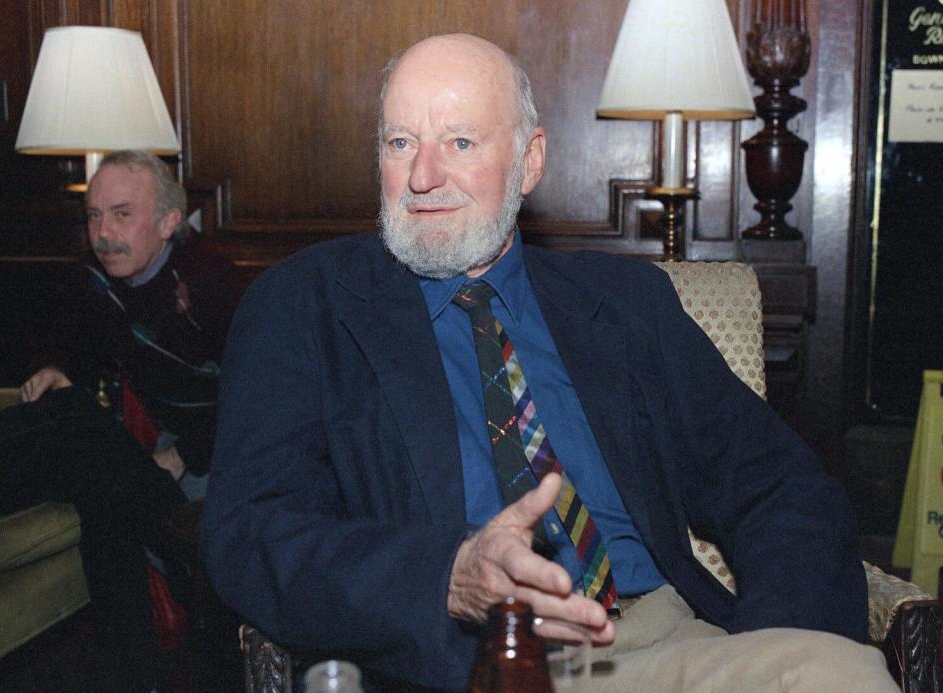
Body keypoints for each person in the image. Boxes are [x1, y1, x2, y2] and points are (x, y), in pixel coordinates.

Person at [202, 34, 895, 692]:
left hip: (661, 647)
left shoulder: (625, 303)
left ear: (531, 161)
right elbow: (252, 532)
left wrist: (763, 646)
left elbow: (779, 484)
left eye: (460, 141)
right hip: (459, 663)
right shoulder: (304, 306)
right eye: (400, 141)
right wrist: (446, 576)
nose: (422, 174)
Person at [0, 150, 241, 691]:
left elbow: (263, 398)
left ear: (170, 221)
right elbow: (77, 336)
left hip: (229, 447)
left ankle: (133, 678)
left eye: (121, 215)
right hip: (178, 462)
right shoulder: (97, 281)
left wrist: (184, 453)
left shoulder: (211, 286)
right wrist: (62, 364)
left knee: (102, 479)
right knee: (87, 435)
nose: (102, 234)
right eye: (95, 217)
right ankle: (186, 551)